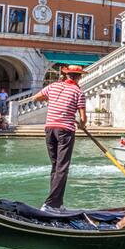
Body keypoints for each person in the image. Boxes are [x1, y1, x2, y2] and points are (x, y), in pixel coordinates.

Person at [29, 65, 87, 211]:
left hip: (49, 129)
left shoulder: (53, 86)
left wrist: (51, 101)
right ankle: (51, 204)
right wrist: (82, 125)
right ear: (79, 77)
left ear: (67, 75)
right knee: (62, 167)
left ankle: (57, 204)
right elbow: (83, 117)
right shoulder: (78, 92)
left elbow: (36, 97)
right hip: (65, 130)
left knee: (56, 167)